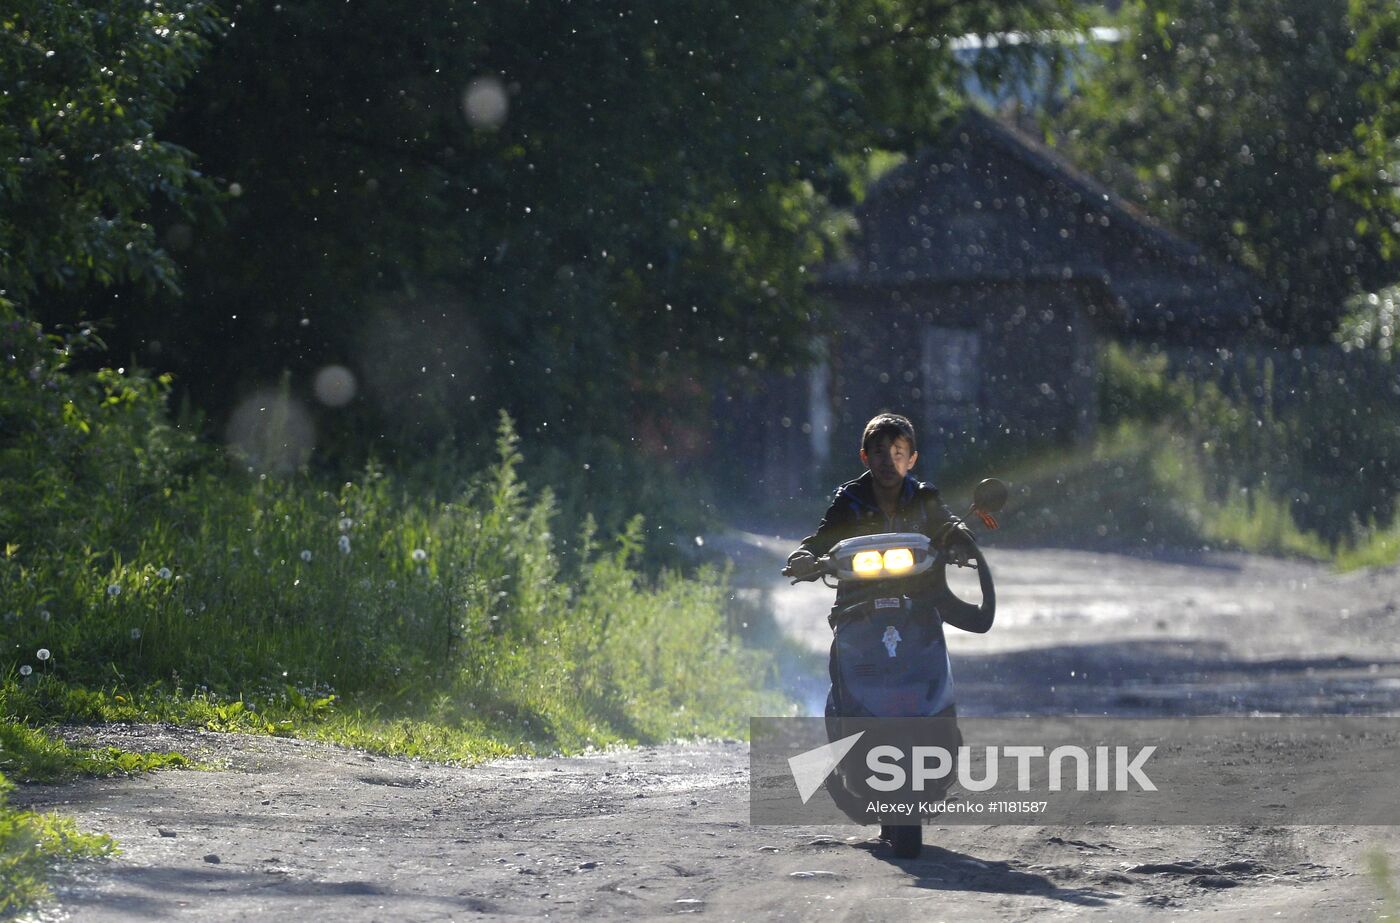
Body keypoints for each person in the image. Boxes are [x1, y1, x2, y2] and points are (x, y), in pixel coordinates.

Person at [781, 412, 981, 844]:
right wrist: (806, 557)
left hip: (918, 609)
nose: (888, 461)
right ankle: (843, 746)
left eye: (898, 452)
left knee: (934, 672)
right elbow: (822, 537)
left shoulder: (924, 496)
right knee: (844, 678)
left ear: (912, 458)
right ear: (865, 456)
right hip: (857, 611)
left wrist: (960, 539)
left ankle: (940, 734)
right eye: (879, 453)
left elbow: (946, 522)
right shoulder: (849, 498)